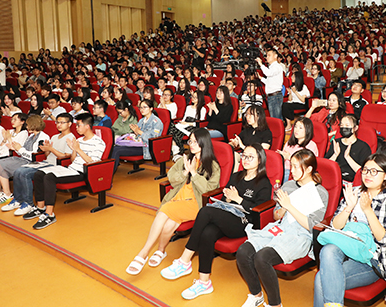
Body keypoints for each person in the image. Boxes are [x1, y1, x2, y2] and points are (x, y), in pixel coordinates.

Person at [160, 144, 272, 300]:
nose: (245, 159)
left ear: (260, 160)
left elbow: (258, 212)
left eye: (250, 157)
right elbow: (225, 199)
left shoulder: (264, 183)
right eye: (244, 155)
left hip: (244, 222)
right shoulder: (236, 176)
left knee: (206, 211)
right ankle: (204, 282)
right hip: (228, 215)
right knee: (208, 233)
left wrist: (238, 199)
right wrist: (228, 198)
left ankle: (185, 260)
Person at [236, 149, 328, 307]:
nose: (292, 171)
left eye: (296, 167)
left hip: (300, 235)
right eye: (291, 166)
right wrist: (283, 208)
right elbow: (276, 215)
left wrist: (290, 206)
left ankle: (275, 304)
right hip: (280, 228)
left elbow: (312, 226)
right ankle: (256, 295)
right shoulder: (289, 185)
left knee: (262, 258)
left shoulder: (320, 192)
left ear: (309, 169)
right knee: (243, 252)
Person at [313, 153, 386, 307]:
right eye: (365, 170)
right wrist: (349, 207)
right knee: (328, 250)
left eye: (374, 171)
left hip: (371, 260)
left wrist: (368, 210)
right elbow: (336, 226)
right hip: (345, 250)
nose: (368, 175)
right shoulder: (353, 193)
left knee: (320, 280)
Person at [125, 128, 220, 274]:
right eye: (190, 141)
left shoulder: (212, 165)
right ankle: (161, 250)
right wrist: (185, 171)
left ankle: (143, 253)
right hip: (179, 197)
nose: (191, 145)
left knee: (165, 210)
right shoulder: (186, 158)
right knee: (169, 224)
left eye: (195, 142)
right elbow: (171, 177)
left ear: (204, 143)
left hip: (196, 203)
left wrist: (194, 173)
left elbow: (209, 189)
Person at [24, 113, 106, 229]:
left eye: (78, 125)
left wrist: (78, 149)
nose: (76, 128)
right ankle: (40, 207)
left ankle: (49, 214)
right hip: (71, 169)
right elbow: (73, 160)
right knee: (39, 174)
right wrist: (74, 150)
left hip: (83, 172)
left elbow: (92, 163)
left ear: (87, 126)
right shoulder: (79, 140)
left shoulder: (98, 142)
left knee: (49, 177)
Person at [0, 113, 75, 215]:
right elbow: (47, 155)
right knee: (18, 171)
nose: (59, 125)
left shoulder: (70, 138)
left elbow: (66, 157)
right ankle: (18, 199)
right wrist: (47, 149)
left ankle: (28, 203)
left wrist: (50, 149)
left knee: (24, 173)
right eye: (57, 122)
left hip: (55, 165)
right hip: (46, 162)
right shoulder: (54, 137)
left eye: (62, 122)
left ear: (69, 124)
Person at [111, 99, 164, 173]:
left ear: (151, 108)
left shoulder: (156, 122)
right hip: (138, 143)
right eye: (141, 107)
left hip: (146, 147)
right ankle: (108, 172)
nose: (142, 109)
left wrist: (139, 132)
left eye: (144, 107)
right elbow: (137, 134)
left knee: (117, 151)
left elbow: (154, 138)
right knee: (115, 148)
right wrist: (134, 133)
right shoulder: (142, 120)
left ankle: (109, 174)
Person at [325, 114, 371, 183]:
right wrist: (335, 154)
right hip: (334, 178)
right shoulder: (336, 143)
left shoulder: (363, 147)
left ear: (355, 128)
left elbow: (363, 172)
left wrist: (347, 157)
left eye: (347, 125)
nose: (344, 128)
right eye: (342, 125)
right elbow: (326, 167)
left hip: (352, 182)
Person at [279, 117, 319, 182]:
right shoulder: (289, 142)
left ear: (307, 130)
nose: (296, 130)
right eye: (295, 127)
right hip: (283, 169)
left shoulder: (311, 145)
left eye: (300, 128)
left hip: (297, 173)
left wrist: (289, 157)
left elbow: (307, 164)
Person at [171, 90, 206, 157]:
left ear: (200, 99)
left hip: (193, 126)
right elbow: (184, 118)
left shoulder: (202, 109)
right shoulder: (188, 107)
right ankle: (175, 147)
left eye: (195, 97)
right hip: (184, 125)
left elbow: (200, 123)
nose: (193, 98)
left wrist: (187, 123)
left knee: (176, 131)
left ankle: (176, 148)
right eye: (192, 96)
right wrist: (182, 122)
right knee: (172, 128)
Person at [256, 49, 284, 120]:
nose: (267, 57)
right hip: (272, 97)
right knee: (274, 118)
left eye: (269, 55)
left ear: (275, 56)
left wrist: (261, 64)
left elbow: (268, 73)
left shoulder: (277, 66)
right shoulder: (271, 67)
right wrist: (260, 77)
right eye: (266, 55)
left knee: (276, 119)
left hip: (275, 96)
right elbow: (269, 82)